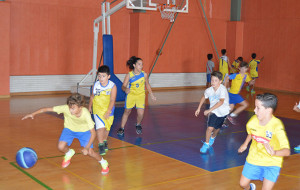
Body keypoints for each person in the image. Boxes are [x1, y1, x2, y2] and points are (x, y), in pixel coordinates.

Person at [22, 93, 109, 174]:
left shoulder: (85, 113)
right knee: (61, 147)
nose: (70, 110)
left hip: (84, 132)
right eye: (69, 107)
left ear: (80, 107)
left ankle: (104, 163)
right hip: (69, 130)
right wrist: (32, 114)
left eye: (73, 108)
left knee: (90, 152)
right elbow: (46, 109)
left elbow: (93, 133)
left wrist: (86, 147)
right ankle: (69, 152)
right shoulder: (66, 108)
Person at [238, 93, 290, 190]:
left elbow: (287, 151)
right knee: (243, 184)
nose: (254, 110)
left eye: (258, 108)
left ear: (268, 110)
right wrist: (245, 144)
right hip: (254, 158)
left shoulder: (277, 126)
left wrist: (275, 153)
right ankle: (250, 188)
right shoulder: (252, 121)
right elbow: (251, 132)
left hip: (272, 162)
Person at [117, 56, 156, 136]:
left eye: (142, 64)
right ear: (134, 65)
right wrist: (125, 89)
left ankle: (138, 124)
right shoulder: (129, 75)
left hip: (141, 95)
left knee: (141, 113)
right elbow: (123, 86)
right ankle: (122, 127)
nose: (141, 66)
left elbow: (147, 85)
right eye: (139, 64)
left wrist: (151, 94)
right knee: (127, 111)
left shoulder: (144, 75)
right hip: (131, 95)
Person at [195, 71, 230, 153]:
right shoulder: (209, 90)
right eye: (212, 80)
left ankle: (213, 137)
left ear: (220, 81)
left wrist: (208, 110)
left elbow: (221, 102)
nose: (213, 82)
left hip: (223, 111)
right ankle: (206, 144)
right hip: (214, 111)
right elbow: (204, 97)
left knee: (217, 128)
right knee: (210, 127)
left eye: (216, 80)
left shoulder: (222, 89)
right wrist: (199, 108)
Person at [88, 65, 117, 156]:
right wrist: (89, 107)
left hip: (109, 109)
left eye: (103, 76)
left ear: (108, 76)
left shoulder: (112, 86)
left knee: (106, 128)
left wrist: (108, 111)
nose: (101, 78)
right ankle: (100, 144)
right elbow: (92, 96)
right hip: (98, 109)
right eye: (99, 76)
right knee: (100, 128)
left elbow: (112, 100)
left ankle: (104, 140)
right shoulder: (96, 85)